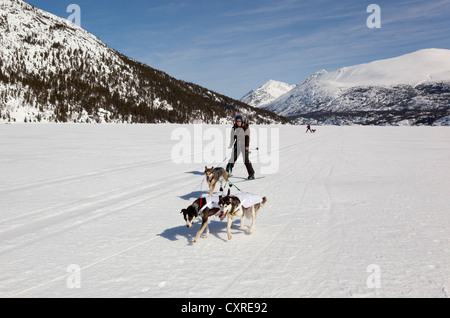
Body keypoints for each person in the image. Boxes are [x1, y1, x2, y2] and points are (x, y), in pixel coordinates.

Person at [226, 115, 255, 180]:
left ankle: (251, 174)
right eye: (237, 121)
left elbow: (247, 137)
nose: (238, 122)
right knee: (232, 159)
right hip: (237, 145)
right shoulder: (234, 128)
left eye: (239, 121)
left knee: (246, 160)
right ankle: (227, 172)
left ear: (242, 121)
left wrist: (247, 146)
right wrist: (231, 144)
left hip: (244, 145)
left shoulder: (245, 127)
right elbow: (232, 137)